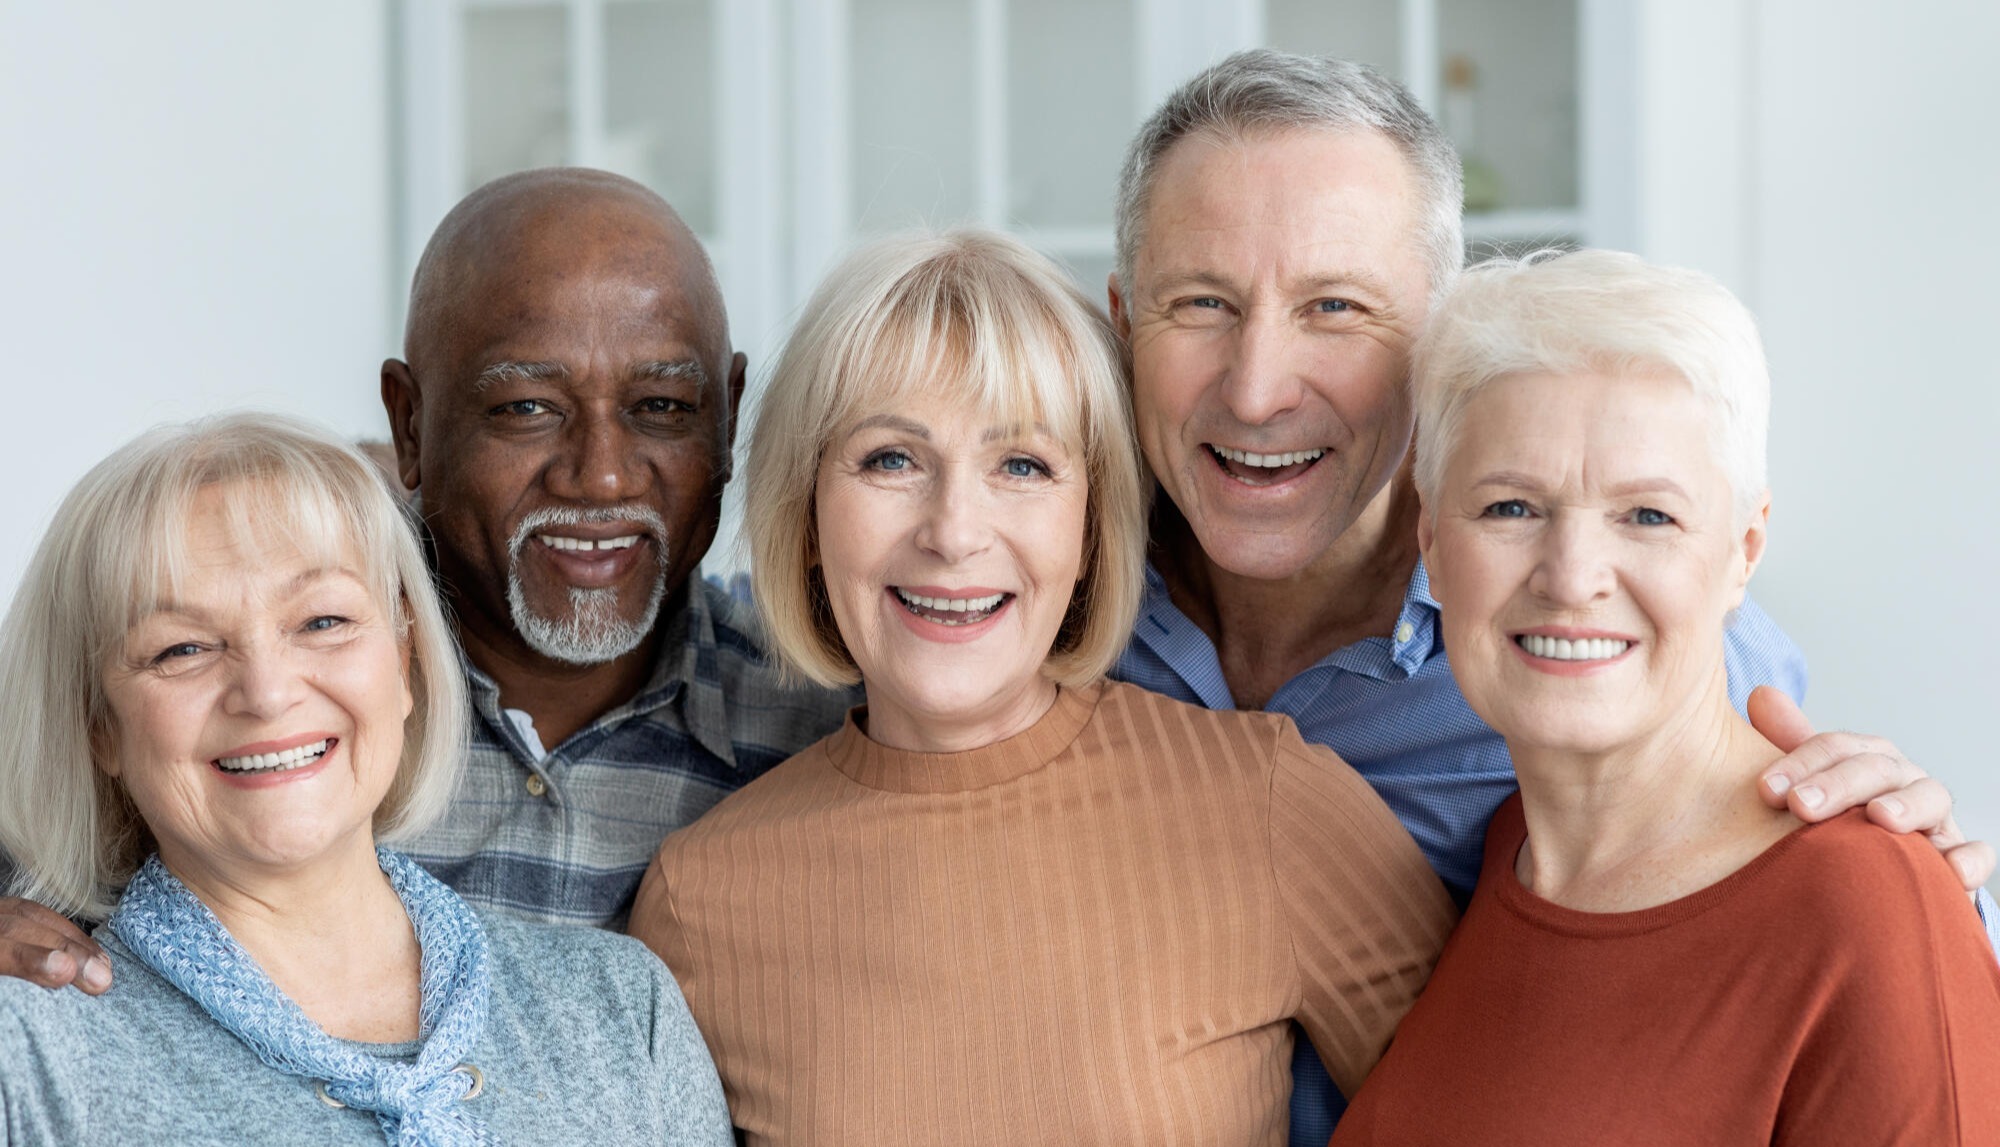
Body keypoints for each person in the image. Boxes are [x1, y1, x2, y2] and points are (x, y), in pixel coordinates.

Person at [1101, 49, 2000, 1141]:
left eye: (1334, 307)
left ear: (1429, 335)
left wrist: (1925, 885)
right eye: (1200, 303)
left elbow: (1844, 941)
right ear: (1122, 324)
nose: (1255, 388)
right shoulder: (1036, 612)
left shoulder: (1610, 651)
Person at [630, 229, 1458, 1146]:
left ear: (1091, 525)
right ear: (810, 513)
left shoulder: (1269, 801)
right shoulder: (699, 897)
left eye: (1022, 466)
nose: (953, 532)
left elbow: (1502, 1107)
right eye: (890, 460)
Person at [0, 169, 856, 990]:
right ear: (410, 423)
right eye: (526, 407)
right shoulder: (286, 703)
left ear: (730, 415)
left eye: (661, 408)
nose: (601, 476)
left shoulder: (826, 727)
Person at [1331, 249, 2000, 1143]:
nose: (1572, 579)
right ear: (1432, 541)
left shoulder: (1865, 907)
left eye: (1648, 516)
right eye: (1510, 508)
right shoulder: (1505, 854)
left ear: (1744, 551)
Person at [0, 414, 733, 1144]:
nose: (267, 691)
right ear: (100, 725)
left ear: (405, 656)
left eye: (321, 620)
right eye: (181, 648)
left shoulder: (623, 1008)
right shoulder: (30, 1052)